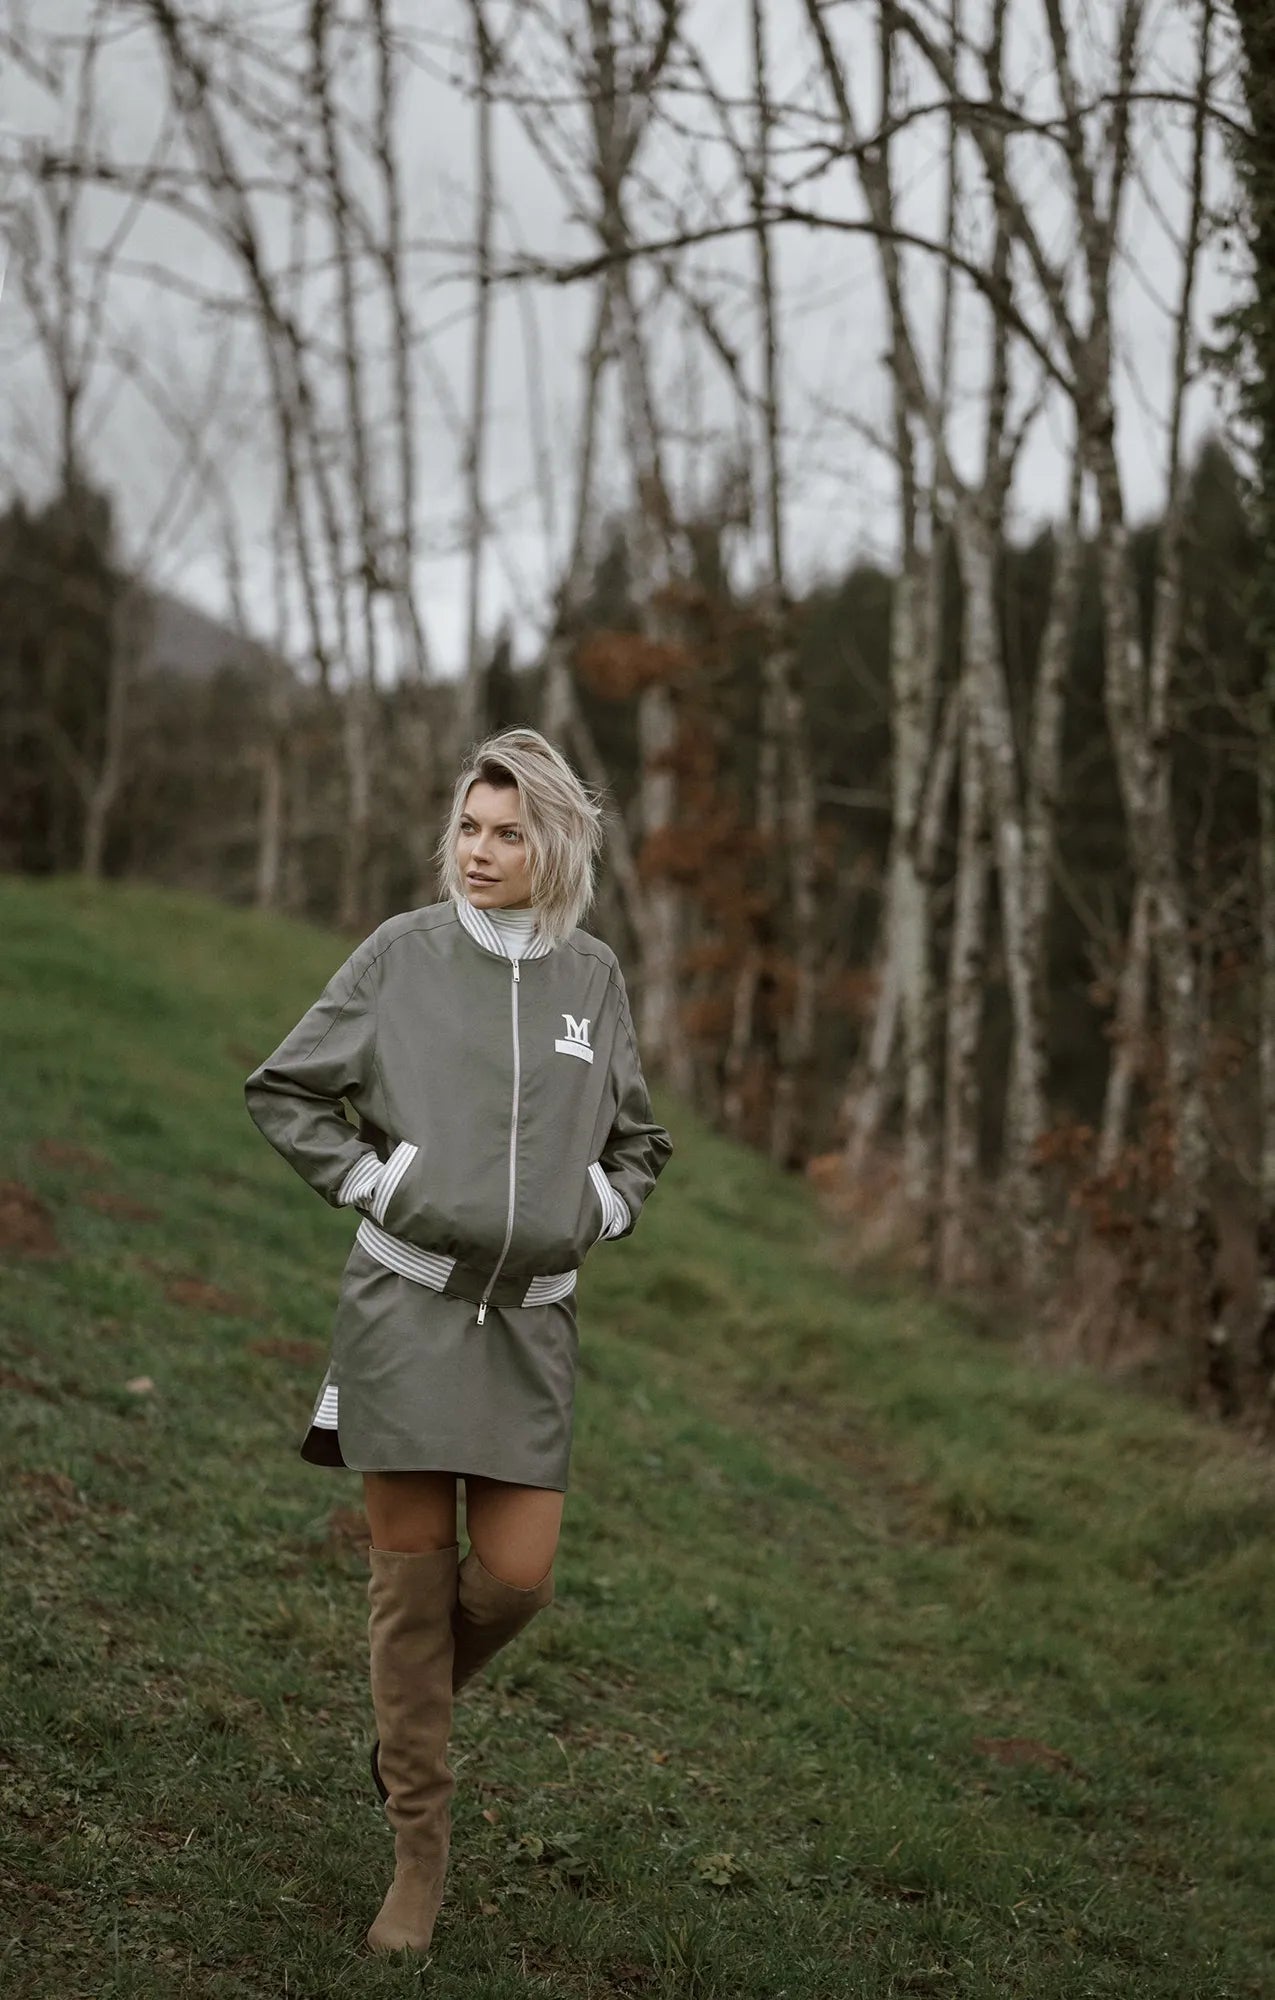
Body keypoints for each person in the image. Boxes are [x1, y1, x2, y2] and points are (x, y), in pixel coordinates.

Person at [242, 726, 673, 1957]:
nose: (479, 853)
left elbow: (638, 1141)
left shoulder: (593, 977)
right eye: (469, 829)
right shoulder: (402, 956)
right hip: (407, 1310)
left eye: (507, 833)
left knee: (517, 1576)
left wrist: (600, 1207)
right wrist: (375, 1180)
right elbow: (287, 1090)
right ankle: (417, 1858)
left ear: (557, 847)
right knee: (411, 1583)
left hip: (532, 1328)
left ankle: (404, 1718)